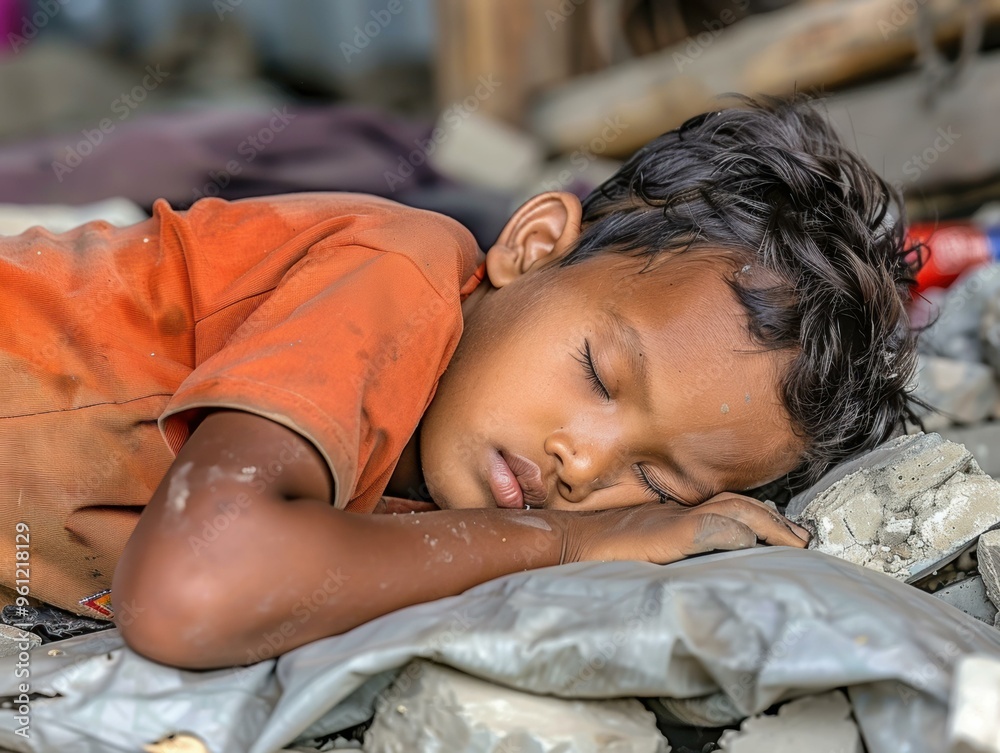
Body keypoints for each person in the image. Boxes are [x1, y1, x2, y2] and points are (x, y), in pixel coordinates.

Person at [0, 96, 918, 669]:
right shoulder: (395, 272)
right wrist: (561, 543)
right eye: (600, 375)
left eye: (658, 482)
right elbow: (190, 595)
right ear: (531, 247)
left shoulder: (429, 500)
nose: (581, 462)